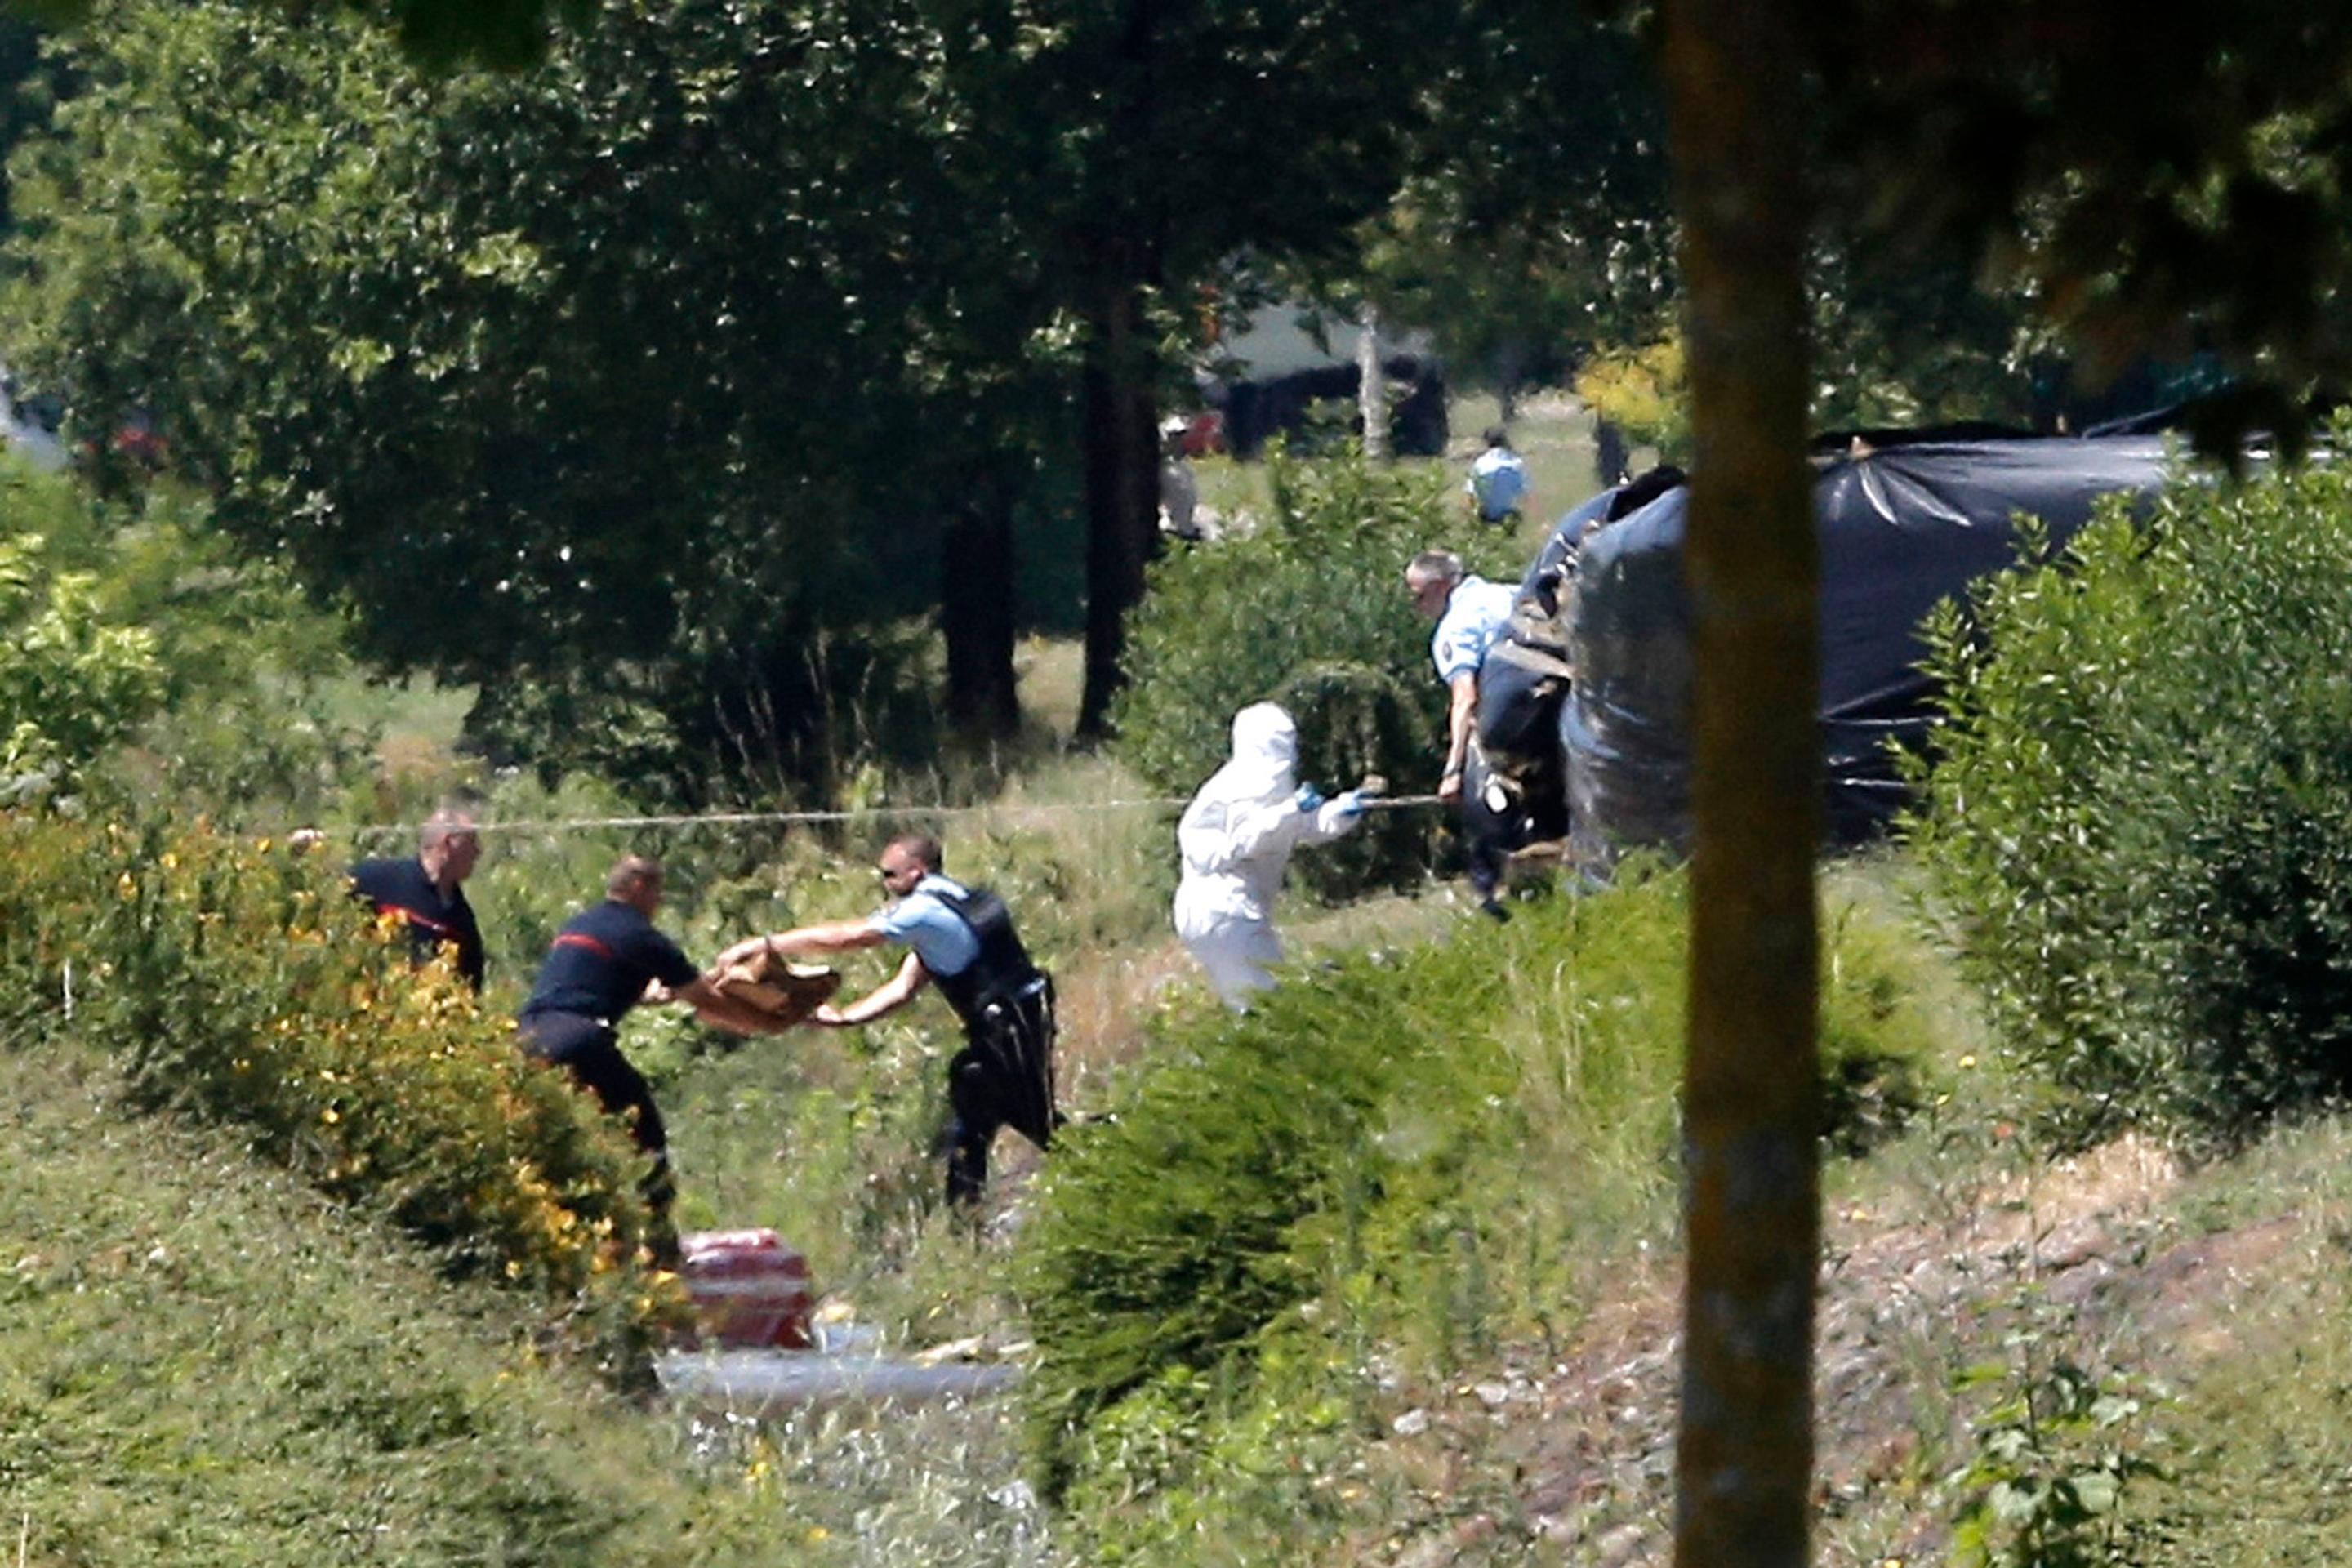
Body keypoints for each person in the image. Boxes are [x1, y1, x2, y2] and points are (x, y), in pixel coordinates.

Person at [715, 834, 1057, 1209]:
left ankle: (1107, 1152)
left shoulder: (923, 910)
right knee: (972, 1112)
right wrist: (843, 1019)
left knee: (1031, 1118)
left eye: (890, 875)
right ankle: (964, 1218)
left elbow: (850, 937)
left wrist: (764, 945)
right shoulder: (961, 902)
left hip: (1006, 1027)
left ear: (916, 871)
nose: (886, 884)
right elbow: (902, 989)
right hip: (1019, 1019)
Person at [517, 855, 787, 1258]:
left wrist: (646, 996)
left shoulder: (578, 925)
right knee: (645, 1137)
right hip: (579, 1038)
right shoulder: (644, 937)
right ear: (640, 887)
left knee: (551, 1141)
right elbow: (707, 1002)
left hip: (526, 1037)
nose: (659, 902)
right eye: (658, 891)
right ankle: (659, 1248)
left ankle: (560, 1242)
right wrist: (765, 1022)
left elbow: (586, 982)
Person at [1174, 702, 1379, 1009]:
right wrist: (1292, 809)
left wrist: (1341, 809)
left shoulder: (1256, 783)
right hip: (1228, 909)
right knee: (1272, 1010)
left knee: (1248, 1004)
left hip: (1209, 913)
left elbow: (1296, 827)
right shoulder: (1244, 787)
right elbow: (1249, 840)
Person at [1405, 548, 1521, 918]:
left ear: (1440, 586)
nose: (1417, 606)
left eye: (1419, 596)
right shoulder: (1510, 593)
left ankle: (1496, 902)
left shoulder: (1454, 628)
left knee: (1483, 816)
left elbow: (1465, 698)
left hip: (1512, 726)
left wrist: (1454, 770)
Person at [349, 804, 486, 991]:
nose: (479, 851)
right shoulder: (379, 880)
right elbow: (329, 895)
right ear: (448, 843)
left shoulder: (462, 919)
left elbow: (471, 988)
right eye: (472, 842)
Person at [1464, 425, 1529, 528]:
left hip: (1485, 518)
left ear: (1486, 443)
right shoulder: (1516, 464)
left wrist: (1469, 520)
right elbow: (1528, 496)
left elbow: (1470, 495)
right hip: (1506, 519)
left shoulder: (1480, 464)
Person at [1159, 415, 1204, 541]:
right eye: (1173, 437)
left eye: (1180, 436)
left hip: (1188, 530)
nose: (1178, 441)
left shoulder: (1184, 467)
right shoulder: (1162, 469)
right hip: (1171, 531)